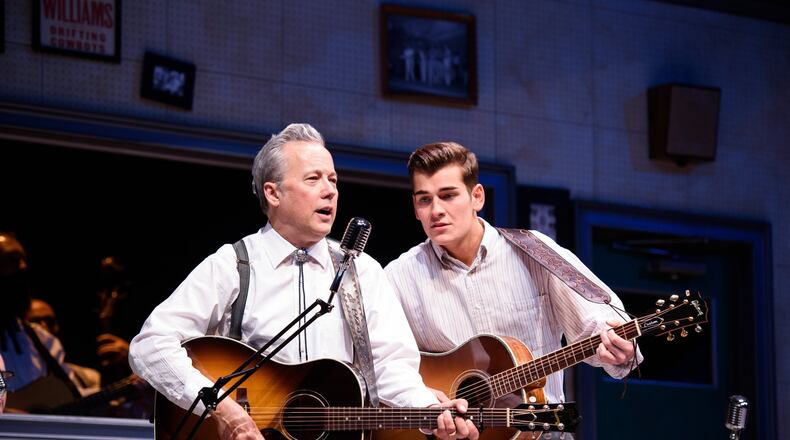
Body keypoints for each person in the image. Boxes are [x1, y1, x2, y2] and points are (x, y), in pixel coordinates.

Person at [128, 124, 475, 440]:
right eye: (313, 180)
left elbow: (391, 367)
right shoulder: (234, 265)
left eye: (333, 180)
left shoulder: (361, 271)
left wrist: (427, 411)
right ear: (273, 193)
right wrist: (222, 408)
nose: (330, 192)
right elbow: (150, 345)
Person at [384, 142, 643, 406]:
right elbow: (383, 364)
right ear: (416, 209)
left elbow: (596, 319)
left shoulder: (533, 251)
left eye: (448, 195)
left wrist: (617, 344)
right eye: (425, 199)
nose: (436, 210)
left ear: (477, 197)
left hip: (541, 433)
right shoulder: (398, 278)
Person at [0, 232, 96, 411]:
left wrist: (124, 391)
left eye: (23, 259)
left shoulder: (42, 340)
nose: (22, 267)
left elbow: (71, 398)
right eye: (12, 260)